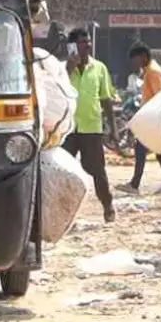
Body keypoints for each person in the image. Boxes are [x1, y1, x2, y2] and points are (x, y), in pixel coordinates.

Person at [63, 27, 119, 223]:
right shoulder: (62, 69)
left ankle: (108, 206)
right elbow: (54, 90)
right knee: (63, 171)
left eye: (88, 41)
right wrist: (69, 68)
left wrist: (112, 128)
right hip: (67, 128)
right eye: (82, 42)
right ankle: (63, 213)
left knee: (97, 170)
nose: (87, 45)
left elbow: (106, 99)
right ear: (72, 46)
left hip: (91, 127)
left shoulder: (99, 68)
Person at [118, 43, 161, 194]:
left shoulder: (153, 72)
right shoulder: (149, 70)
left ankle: (135, 185)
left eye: (135, 59)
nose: (134, 63)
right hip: (151, 117)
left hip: (153, 118)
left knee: (141, 149)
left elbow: (159, 96)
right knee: (159, 151)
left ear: (143, 56)